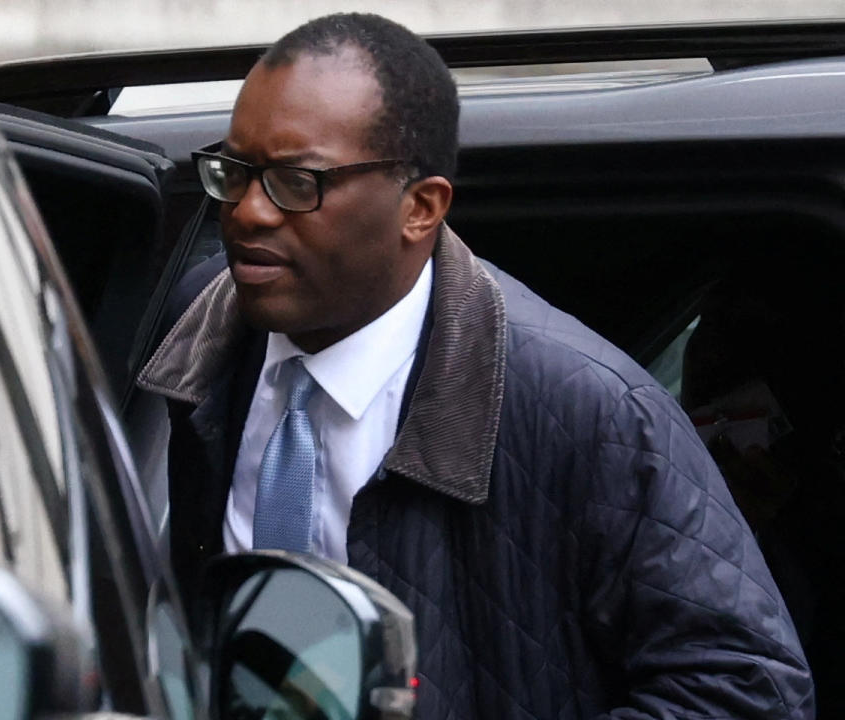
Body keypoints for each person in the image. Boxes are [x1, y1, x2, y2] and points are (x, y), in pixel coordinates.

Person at [137, 13, 814, 719]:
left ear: (421, 208)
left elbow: (749, 692)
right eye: (234, 172)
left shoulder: (589, 411)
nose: (247, 213)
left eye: (295, 183)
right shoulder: (207, 330)